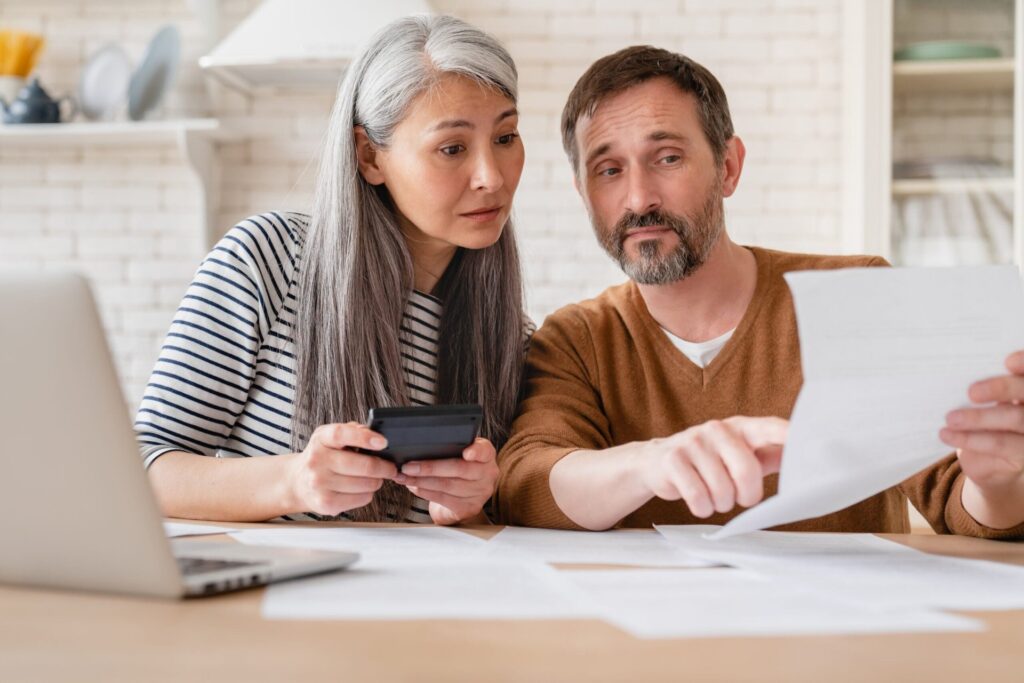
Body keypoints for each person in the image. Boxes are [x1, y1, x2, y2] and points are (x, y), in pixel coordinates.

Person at [494, 45, 1024, 539]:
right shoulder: (577, 339)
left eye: (668, 158)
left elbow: (957, 498)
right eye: (608, 170)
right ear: (584, 194)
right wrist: (653, 461)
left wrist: (997, 480)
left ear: (728, 167)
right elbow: (527, 480)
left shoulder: (857, 296)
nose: (638, 197)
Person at [135, 15, 528, 525]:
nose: (491, 177)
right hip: (259, 601)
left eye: (506, 137)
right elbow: (139, 472)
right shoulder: (265, 261)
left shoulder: (511, 341)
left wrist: (471, 509)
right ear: (369, 157)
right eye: (452, 148)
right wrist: (293, 481)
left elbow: (484, 546)